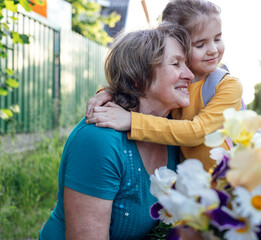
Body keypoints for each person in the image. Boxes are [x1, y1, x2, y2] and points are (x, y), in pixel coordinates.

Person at [38, 23, 193, 240]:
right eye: (176, 64)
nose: (189, 74)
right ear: (139, 77)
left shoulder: (175, 131)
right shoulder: (99, 139)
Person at [85, 0, 244, 171]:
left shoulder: (227, 86)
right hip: (190, 185)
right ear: (178, 44)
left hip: (226, 184)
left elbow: (196, 132)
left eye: (218, 38)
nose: (213, 49)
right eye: (200, 44)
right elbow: (142, 83)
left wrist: (132, 122)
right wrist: (110, 92)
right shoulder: (174, 82)